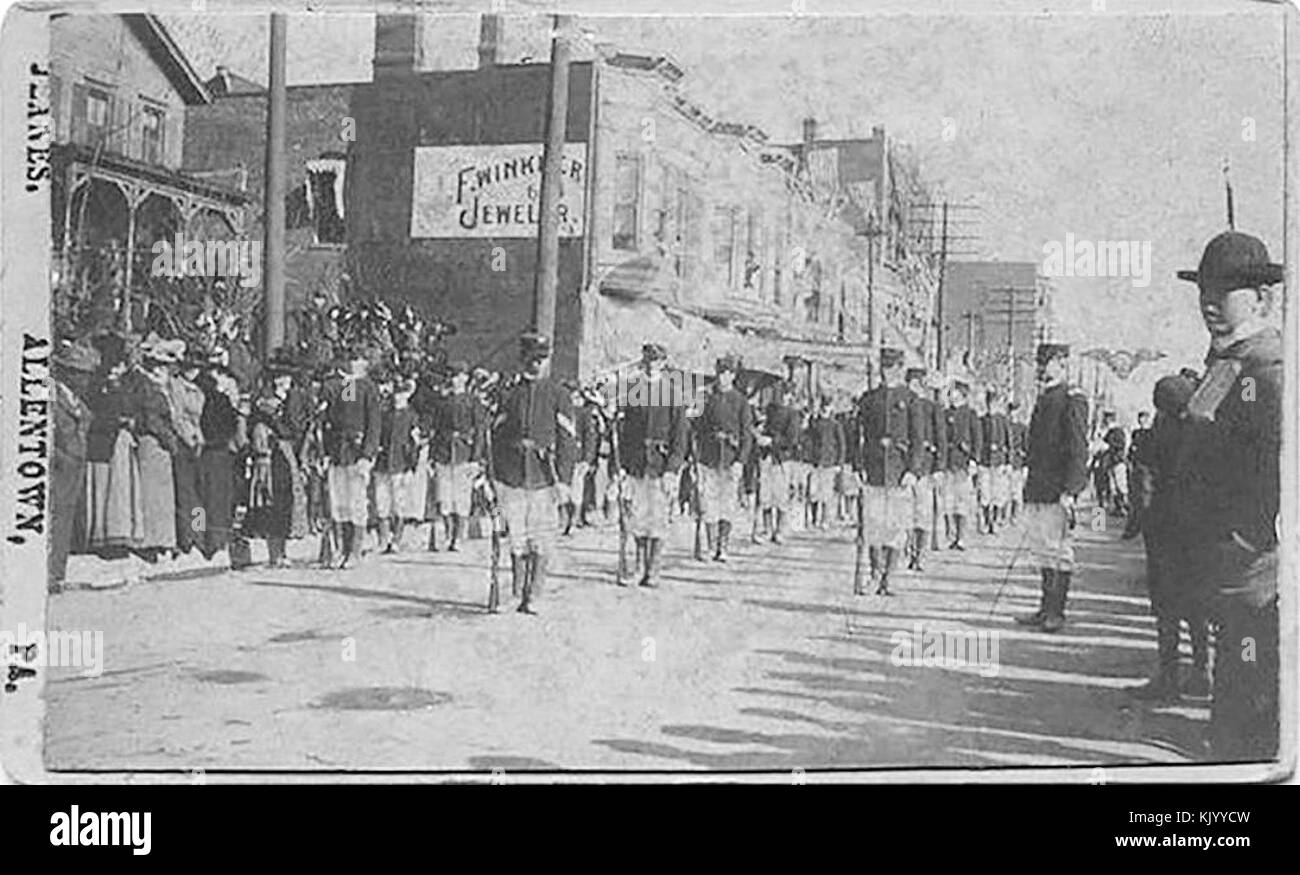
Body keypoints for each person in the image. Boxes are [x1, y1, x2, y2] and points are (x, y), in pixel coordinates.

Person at [1175, 230, 1282, 761]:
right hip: (1224, 565)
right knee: (1234, 685)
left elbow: (1274, 474)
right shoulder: (1229, 362)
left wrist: (1249, 541)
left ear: (1262, 298)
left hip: (1253, 570)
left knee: (1249, 686)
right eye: (1204, 290)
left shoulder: (1267, 371)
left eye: (1227, 291)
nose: (1210, 302)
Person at [1129, 373, 1212, 701]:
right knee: (1197, 604)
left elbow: (1143, 487)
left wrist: (1140, 522)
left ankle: (1167, 677)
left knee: (1166, 605)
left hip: (1164, 533)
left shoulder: (1152, 438)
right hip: (1199, 532)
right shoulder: (1206, 434)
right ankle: (1203, 671)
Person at [490, 332, 575, 612]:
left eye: (541, 359)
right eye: (531, 359)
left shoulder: (558, 395)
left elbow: (567, 440)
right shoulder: (509, 394)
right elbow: (497, 437)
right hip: (513, 476)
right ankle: (516, 592)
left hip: (543, 477)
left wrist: (563, 479)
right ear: (521, 360)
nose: (535, 365)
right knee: (517, 536)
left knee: (540, 537)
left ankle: (535, 593)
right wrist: (497, 476)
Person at [1015, 343, 1089, 633]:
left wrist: (1071, 490)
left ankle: (1057, 612)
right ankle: (1044, 608)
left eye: (1050, 363)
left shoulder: (1072, 398)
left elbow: (1078, 449)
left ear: (1063, 364)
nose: (1043, 368)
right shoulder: (1044, 397)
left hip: (1058, 489)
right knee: (1042, 549)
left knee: (1059, 550)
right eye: (1041, 363)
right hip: (1038, 487)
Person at [617, 342, 688, 586]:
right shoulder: (634, 391)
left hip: (660, 465)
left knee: (657, 519)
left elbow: (680, 437)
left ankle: (654, 568)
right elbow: (626, 433)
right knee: (637, 518)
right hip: (637, 464)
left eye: (655, 361)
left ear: (663, 363)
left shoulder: (673, 393)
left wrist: (672, 469)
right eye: (647, 361)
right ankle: (638, 565)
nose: (650, 366)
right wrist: (622, 467)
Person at [855, 349, 913, 595]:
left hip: (899, 471)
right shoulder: (869, 399)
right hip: (874, 469)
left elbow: (918, 438)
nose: (888, 371)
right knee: (874, 525)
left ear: (900, 368)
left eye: (893, 366)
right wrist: (858, 466)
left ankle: (891, 576)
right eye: (885, 366)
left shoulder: (910, 399)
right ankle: (875, 572)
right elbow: (858, 436)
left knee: (896, 528)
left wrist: (913, 469)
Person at [246, 349, 311, 567]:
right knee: (270, 501)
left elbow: (297, 426)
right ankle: (274, 552)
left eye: (287, 376)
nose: (284, 380)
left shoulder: (295, 398)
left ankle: (282, 551)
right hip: (269, 455)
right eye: (280, 376)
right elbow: (257, 425)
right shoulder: (264, 400)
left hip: (287, 452)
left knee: (286, 502)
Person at [320, 346, 382, 569]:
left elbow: (374, 425)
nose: (354, 363)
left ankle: (355, 550)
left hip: (357, 453)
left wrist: (368, 454)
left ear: (366, 363)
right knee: (339, 502)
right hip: (338, 452)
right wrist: (326, 452)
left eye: (359, 360)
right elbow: (334, 422)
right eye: (351, 359)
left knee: (356, 502)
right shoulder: (344, 386)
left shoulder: (368, 388)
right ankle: (342, 550)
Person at [124, 334, 184, 561]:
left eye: (165, 368)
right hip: (156, 444)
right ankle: (156, 540)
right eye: (158, 367)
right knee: (154, 496)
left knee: (178, 498)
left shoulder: (166, 390)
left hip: (172, 446)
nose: (162, 372)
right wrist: (172, 438)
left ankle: (191, 536)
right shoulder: (149, 388)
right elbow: (152, 419)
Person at [695, 354, 753, 562]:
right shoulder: (707, 398)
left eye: (727, 373)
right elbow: (697, 430)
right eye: (720, 373)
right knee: (708, 503)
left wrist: (740, 461)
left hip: (730, 458)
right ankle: (710, 546)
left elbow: (747, 436)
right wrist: (697, 459)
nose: (723, 377)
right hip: (709, 458)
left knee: (727, 504)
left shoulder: (741, 402)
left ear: (733, 376)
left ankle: (723, 546)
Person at [50, 341, 98, 590]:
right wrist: (61, 458)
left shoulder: (79, 404)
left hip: (73, 470)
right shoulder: (51, 398)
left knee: (65, 520)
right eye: (81, 374)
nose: (86, 381)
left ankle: (56, 573)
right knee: (52, 519)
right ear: (68, 373)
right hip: (57, 469)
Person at [429, 360, 482, 551]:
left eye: (458, 376)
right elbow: (436, 430)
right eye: (451, 376)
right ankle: (449, 534)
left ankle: (458, 537)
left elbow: (480, 431)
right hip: (444, 453)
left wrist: (476, 457)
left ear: (465, 378)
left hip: (463, 453)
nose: (454, 380)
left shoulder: (472, 401)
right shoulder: (443, 402)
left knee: (461, 498)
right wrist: (433, 457)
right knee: (444, 498)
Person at [371, 372, 421, 554]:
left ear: (408, 395)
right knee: (381, 502)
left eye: (402, 394)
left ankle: (397, 540)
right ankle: (384, 539)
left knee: (399, 503)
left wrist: (411, 465)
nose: (398, 397)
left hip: (401, 463)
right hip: (383, 463)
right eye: (396, 393)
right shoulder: (384, 415)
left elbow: (415, 443)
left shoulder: (412, 416)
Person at [196, 364, 242, 560]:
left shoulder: (199, 399)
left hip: (201, 452)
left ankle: (199, 536)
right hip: (222, 452)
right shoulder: (223, 400)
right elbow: (233, 424)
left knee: (199, 498)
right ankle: (219, 539)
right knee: (220, 500)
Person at [168, 352, 207, 563]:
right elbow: (176, 416)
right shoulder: (175, 386)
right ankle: (185, 538)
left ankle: (198, 534)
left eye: (197, 367)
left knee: (198, 494)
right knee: (184, 493)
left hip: (197, 443)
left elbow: (199, 417)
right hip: (183, 444)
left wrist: (199, 439)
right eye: (191, 367)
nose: (194, 371)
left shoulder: (198, 391)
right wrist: (188, 437)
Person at [904, 367, 944, 571]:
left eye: (914, 384)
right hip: (904, 470)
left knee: (923, 514)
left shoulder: (931, 407)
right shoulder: (902, 405)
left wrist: (939, 467)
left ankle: (920, 554)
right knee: (905, 513)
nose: (910, 388)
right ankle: (909, 549)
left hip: (926, 468)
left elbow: (941, 439)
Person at [759, 381, 802, 545]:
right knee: (765, 496)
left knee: (781, 497)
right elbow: (765, 427)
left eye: (786, 394)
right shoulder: (770, 410)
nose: (783, 397)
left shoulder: (793, 415)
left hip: (782, 458)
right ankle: (767, 529)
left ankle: (779, 531)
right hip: (767, 457)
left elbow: (792, 439)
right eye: (780, 393)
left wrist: (771, 440)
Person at [941, 380, 981, 550]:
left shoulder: (971, 414)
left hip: (963, 464)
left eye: (954, 393)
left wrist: (974, 459)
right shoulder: (944, 413)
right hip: (947, 463)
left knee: (961, 502)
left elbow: (977, 438)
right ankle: (950, 534)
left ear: (963, 395)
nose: (951, 396)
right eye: (950, 393)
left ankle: (961, 537)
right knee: (947, 502)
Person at [805, 394, 845, 532]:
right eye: (823, 407)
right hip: (815, 462)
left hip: (829, 462)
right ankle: (814, 518)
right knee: (814, 492)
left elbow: (841, 445)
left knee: (826, 494)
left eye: (827, 407)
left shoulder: (836, 425)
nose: (825, 410)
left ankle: (825, 520)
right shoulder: (814, 423)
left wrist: (839, 463)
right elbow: (808, 441)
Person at [978, 390, 1011, 535]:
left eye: (994, 403)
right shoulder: (982, 420)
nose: (992, 406)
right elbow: (979, 441)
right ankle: (986, 521)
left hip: (999, 462)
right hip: (985, 462)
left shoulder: (1003, 420)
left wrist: (1008, 462)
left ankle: (996, 521)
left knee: (998, 494)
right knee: (985, 494)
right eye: (989, 403)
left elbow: (1009, 442)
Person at [1122, 410, 1153, 539]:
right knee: (1135, 499)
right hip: (1135, 468)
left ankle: (1135, 528)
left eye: (1144, 419)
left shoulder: (1150, 434)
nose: (1141, 422)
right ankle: (1099, 525)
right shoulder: (1136, 433)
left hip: (1143, 468)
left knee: (1141, 500)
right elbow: (1130, 451)